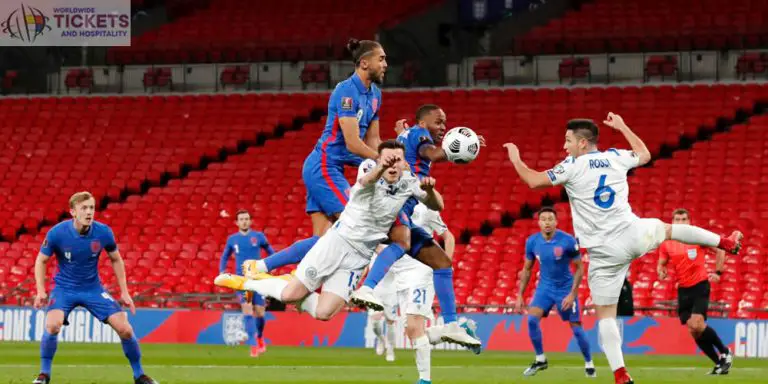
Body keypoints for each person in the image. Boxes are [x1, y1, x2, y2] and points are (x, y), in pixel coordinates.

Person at [503, 113, 743, 384]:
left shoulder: (571, 165)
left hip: (604, 253)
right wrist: (622, 126)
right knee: (669, 229)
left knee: (606, 315)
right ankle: (725, 242)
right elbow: (644, 155)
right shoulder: (615, 156)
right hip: (632, 234)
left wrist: (515, 157)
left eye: (568, 140)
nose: (564, 146)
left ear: (582, 143)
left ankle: (620, 374)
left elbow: (533, 180)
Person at [215, 140, 444, 323]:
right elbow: (366, 181)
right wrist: (381, 166)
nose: (394, 165)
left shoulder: (409, 181)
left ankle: (285, 280)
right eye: (388, 160)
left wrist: (430, 192)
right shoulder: (369, 168)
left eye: (398, 161)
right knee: (289, 295)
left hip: (360, 256)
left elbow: (438, 205)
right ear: (379, 160)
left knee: (324, 313)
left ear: (405, 164)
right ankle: (246, 282)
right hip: (337, 242)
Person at [250, 38, 386, 274]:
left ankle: (260, 266)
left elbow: (374, 141)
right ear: (364, 63)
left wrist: (386, 156)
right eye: (381, 59)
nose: (386, 64)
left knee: (323, 240)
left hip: (332, 168)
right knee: (355, 224)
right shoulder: (346, 91)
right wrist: (381, 161)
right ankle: (375, 281)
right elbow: (353, 144)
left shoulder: (376, 95)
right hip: (324, 166)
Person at [351, 104, 484, 347]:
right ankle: (367, 287)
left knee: (442, 262)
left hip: (408, 203)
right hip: (397, 200)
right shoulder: (420, 136)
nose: (443, 127)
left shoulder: (410, 133)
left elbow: (412, 142)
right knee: (402, 241)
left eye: (444, 122)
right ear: (423, 124)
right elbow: (432, 154)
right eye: (438, 122)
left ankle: (452, 326)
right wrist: (464, 146)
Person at [32, 192, 157, 384]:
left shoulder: (103, 232)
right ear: (73, 212)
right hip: (64, 288)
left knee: (125, 329)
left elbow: (116, 258)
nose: (89, 212)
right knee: (52, 325)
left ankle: (139, 375)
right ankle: (44, 375)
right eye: (84, 208)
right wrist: (40, 290)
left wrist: (124, 291)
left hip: (93, 289)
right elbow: (41, 260)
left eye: (91, 208)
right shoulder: (57, 233)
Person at [514, 207, 595, 378]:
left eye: (550, 219)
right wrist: (520, 294)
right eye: (544, 219)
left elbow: (580, 268)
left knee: (576, 328)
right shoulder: (532, 242)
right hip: (544, 288)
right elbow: (527, 269)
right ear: (539, 223)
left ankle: (589, 363)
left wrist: (572, 294)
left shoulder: (567, 241)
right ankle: (540, 359)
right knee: (531, 320)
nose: (547, 222)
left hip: (565, 289)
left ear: (556, 222)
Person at [658, 208, 733, 374]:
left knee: (697, 324)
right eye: (677, 220)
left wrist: (718, 272)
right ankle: (719, 363)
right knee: (693, 330)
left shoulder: (697, 237)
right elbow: (662, 262)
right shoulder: (667, 242)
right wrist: (661, 270)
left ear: (689, 222)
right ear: (672, 222)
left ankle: (726, 352)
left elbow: (720, 248)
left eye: (684, 219)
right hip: (683, 290)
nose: (680, 222)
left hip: (700, 285)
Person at [218, 209, 275, 357]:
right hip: (243, 282)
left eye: (247, 219)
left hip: (257, 280)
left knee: (260, 313)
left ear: (250, 221)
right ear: (236, 222)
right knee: (247, 308)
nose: (244, 221)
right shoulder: (232, 239)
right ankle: (254, 345)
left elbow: (271, 252)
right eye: (241, 219)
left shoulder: (258, 237)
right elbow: (224, 256)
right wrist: (222, 270)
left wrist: (272, 265)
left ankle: (260, 337)